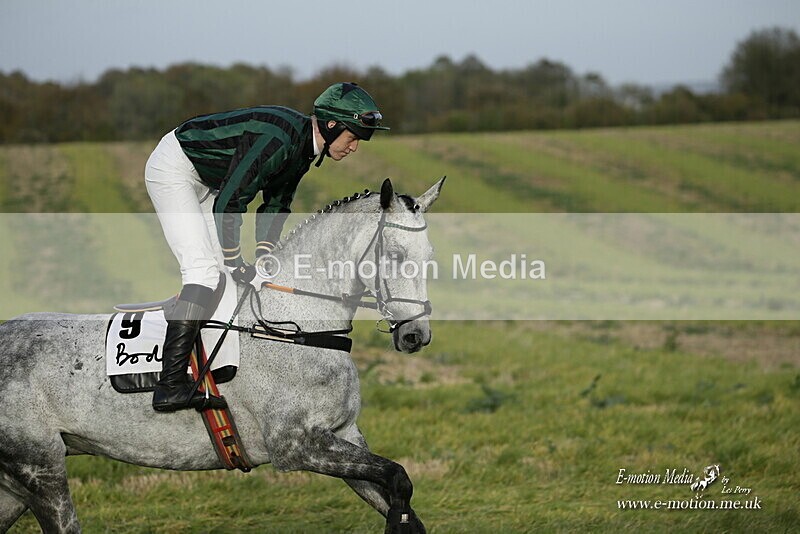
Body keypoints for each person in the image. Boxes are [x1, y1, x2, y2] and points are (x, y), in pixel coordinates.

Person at [144, 82, 389, 412]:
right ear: (332, 126)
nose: (354, 147)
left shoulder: (304, 149)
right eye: (353, 136)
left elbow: (276, 204)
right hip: (175, 168)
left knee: (224, 279)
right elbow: (231, 203)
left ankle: (210, 366)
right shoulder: (279, 140)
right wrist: (235, 260)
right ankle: (170, 385)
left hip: (208, 179)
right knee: (203, 273)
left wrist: (263, 256)